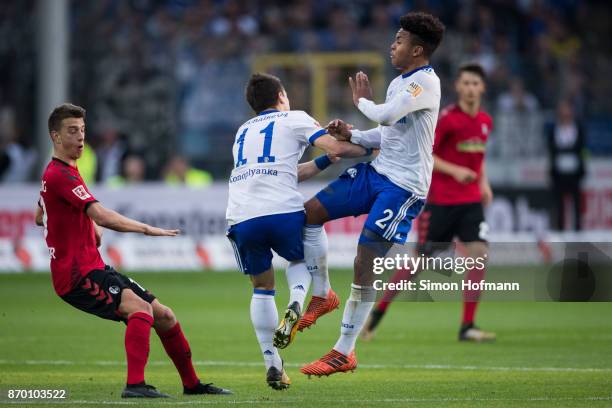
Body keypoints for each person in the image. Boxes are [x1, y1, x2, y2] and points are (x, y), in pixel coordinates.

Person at [36, 103, 231, 398]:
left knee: (164, 315)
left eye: (83, 131)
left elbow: (41, 215)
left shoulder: (66, 171)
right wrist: (145, 228)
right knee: (140, 311)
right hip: (76, 275)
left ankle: (192, 385)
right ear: (55, 136)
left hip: (95, 267)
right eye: (72, 131)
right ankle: (135, 386)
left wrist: (87, 226)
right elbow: (100, 214)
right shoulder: (59, 175)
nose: (80, 138)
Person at [298, 12, 445, 377]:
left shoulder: (424, 84)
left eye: (399, 40)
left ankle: (343, 350)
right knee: (309, 213)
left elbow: (388, 114)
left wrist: (362, 102)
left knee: (365, 259)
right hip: (376, 173)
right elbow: (388, 133)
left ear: (418, 49)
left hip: (403, 188)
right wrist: (352, 134)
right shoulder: (401, 81)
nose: (392, 45)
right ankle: (322, 294)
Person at [225, 73, 368, 390]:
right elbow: (335, 145)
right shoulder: (294, 118)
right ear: (281, 96)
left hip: (242, 215)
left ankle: (272, 364)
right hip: (282, 210)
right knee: (302, 255)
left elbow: (282, 173)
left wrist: (322, 163)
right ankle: (299, 302)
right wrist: (371, 147)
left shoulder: (242, 132)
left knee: (261, 288)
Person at [361, 63, 496, 343]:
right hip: (441, 203)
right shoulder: (447, 118)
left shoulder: (485, 121)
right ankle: (375, 317)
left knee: (479, 255)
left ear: (482, 88)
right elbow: (427, 154)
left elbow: (478, 160)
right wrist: (455, 171)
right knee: (417, 264)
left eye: (475, 83)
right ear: (458, 87)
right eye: (466, 83)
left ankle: (467, 326)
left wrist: (483, 183)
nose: (471, 88)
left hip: (470, 202)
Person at [546, 100, 586, 231]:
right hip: (559, 172)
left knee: (576, 202)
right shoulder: (554, 130)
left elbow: (581, 150)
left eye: (567, 110)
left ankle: (578, 229)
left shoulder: (578, 128)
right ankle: (560, 229)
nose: (565, 113)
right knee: (559, 203)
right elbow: (552, 150)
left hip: (574, 171)